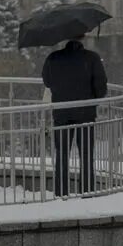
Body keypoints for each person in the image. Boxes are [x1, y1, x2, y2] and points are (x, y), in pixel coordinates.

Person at [41, 33, 108, 197]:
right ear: (83, 38)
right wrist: (93, 100)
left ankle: (61, 192)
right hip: (85, 113)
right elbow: (101, 86)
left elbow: (47, 81)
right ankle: (87, 191)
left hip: (61, 113)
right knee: (86, 155)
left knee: (62, 154)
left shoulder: (54, 58)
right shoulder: (92, 58)